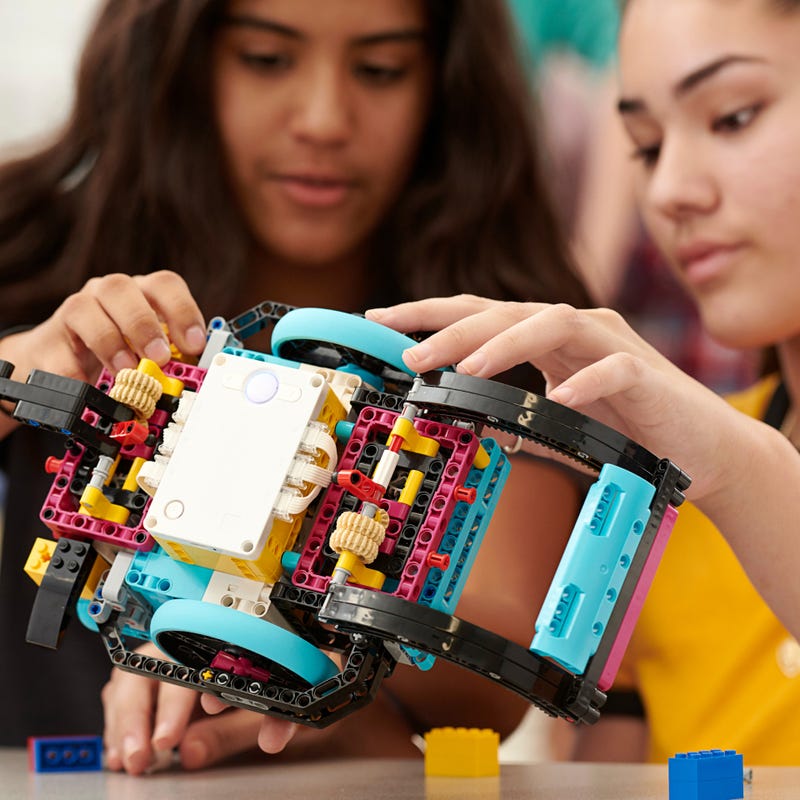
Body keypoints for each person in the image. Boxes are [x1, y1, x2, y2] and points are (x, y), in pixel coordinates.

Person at [0, 0, 592, 775]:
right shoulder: (31, 251)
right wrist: (17, 376)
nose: (322, 119)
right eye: (266, 59)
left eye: (379, 70)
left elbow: (493, 690)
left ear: (444, 86)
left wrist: (324, 689)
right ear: (181, 63)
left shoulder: (498, 328)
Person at [366, 0, 800, 766]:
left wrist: (740, 471)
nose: (668, 191)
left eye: (733, 116)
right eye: (645, 145)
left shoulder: (704, 460)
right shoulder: (661, 489)